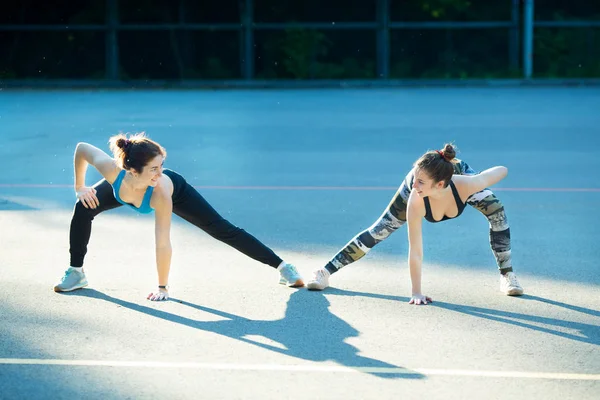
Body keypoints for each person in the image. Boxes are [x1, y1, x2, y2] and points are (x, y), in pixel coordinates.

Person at [53, 132, 304, 301]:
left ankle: (283, 267)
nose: (159, 172)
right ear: (130, 169)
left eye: (161, 166)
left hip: (177, 192)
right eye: (153, 168)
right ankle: (76, 272)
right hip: (127, 190)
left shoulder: (161, 188)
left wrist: (162, 287)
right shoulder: (113, 172)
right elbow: (82, 149)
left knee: (221, 229)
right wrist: (80, 187)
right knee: (83, 206)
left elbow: (162, 241)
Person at [306, 143, 524, 304]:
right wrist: (416, 292)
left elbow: (502, 169)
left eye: (418, 182)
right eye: (414, 181)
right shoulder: (416, 195)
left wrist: (478, 180)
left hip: (453, 179)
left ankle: (507, 275)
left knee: (497, 211)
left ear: (440, 184)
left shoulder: (466, 184)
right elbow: (416, 250)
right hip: (432, 178)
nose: (414, 186)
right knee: (380, 230)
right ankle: (324, 272)